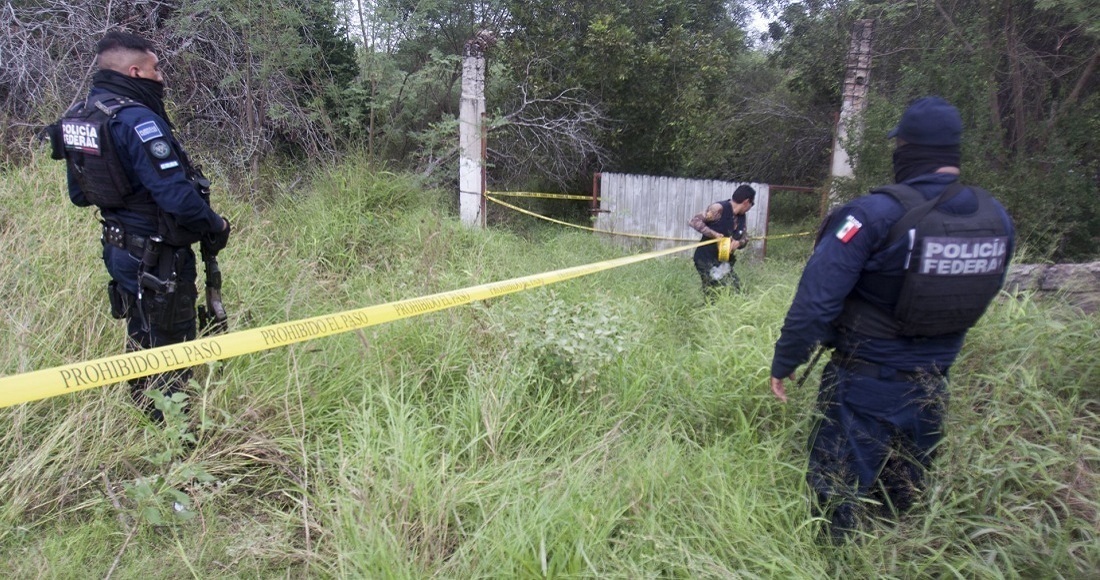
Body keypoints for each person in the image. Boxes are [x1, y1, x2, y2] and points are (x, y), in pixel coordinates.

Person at [768, 97, 1015, 540]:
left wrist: (786, 362)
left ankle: (833, 564)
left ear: (905, 147)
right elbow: (983, 293)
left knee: (835, 499)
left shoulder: (873, 214)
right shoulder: (994, 218)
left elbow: (816, 301)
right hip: (933, 386)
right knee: (903, 500)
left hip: (864, 385)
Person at [49, 31, 231, 421]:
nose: (161, 76)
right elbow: (177, 197)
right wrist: (215, 224)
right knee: (173, 346)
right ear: (135, 71)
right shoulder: (136, 120)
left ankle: (145, 411)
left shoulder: (81, 116)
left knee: (143, 330)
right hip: (158, 256)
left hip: (118, 249)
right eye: (155, 68)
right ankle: (177, 436)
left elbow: (80, 195)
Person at [688, 184, 755, 297]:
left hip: (723, 262)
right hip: (705, 259)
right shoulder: (719, 209)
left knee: (737, 290)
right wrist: (714, 235)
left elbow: (745, 237)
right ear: (746, 202)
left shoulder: (741, 217)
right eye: (752, 204)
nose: (751, 207)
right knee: (714, 292)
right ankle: (708, 313)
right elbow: (694, 221)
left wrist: (739, 243)